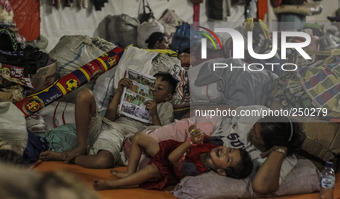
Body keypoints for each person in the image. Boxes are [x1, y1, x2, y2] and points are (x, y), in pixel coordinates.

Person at [131, 105, 306, 195]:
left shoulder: (282, 158)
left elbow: (261, 186)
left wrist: (280, 151)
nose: (250, 131)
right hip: (204, 130)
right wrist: (197, 125)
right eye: (254, 126)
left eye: (256, 135)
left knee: (150, 166)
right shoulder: (258, 113)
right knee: (138, 142)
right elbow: (227, 111)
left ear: (271, 145)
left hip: (201, 151)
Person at [39, 72, 178, 169]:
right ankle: (81, 146)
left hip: (118, 134)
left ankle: (66, 156)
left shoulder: (165, 106)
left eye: (159, 88)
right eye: (151, 87)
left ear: (168, 96)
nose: (153, 91)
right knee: (84, 94)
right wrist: (119, 92)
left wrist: (154, 114)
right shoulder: (134, 99)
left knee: (102, 161)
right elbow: (109, 118)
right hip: (105, 126)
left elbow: (161, 135)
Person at [93, 125, 253, 191]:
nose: (225, 152)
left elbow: (172, 159)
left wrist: (189, 142)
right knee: (138, 137)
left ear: (222, 172)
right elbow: (192, 130)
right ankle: (130, 172)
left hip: (167, 168)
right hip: (167, 148)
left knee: (151, 169)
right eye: (229, 149)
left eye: (228, 159)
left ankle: (113, 185)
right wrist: (194, 132)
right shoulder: (213, 143)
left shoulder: (196, 169)